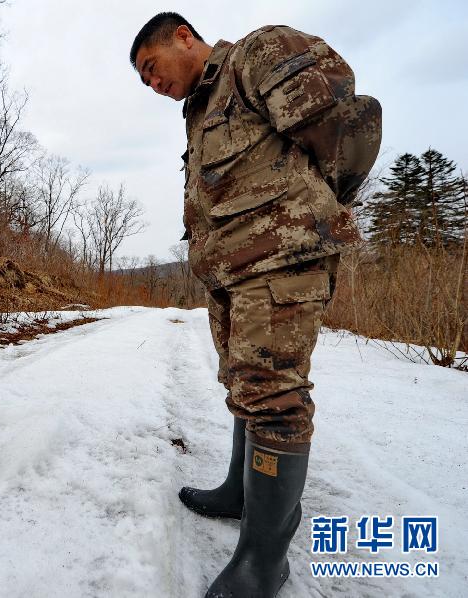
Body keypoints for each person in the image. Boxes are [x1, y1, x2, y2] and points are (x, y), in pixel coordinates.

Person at [129, 13, 381, 596]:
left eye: (151, 68)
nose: (151, 84)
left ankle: (264, 564)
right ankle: (241, 491)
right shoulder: (203, 107)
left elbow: (347, 126)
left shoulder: (256, 55)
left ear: (183, 38)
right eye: (143, 81)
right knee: (247, 384)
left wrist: (313, 212)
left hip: (280, 266)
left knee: (275, 398)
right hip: (236, 278)